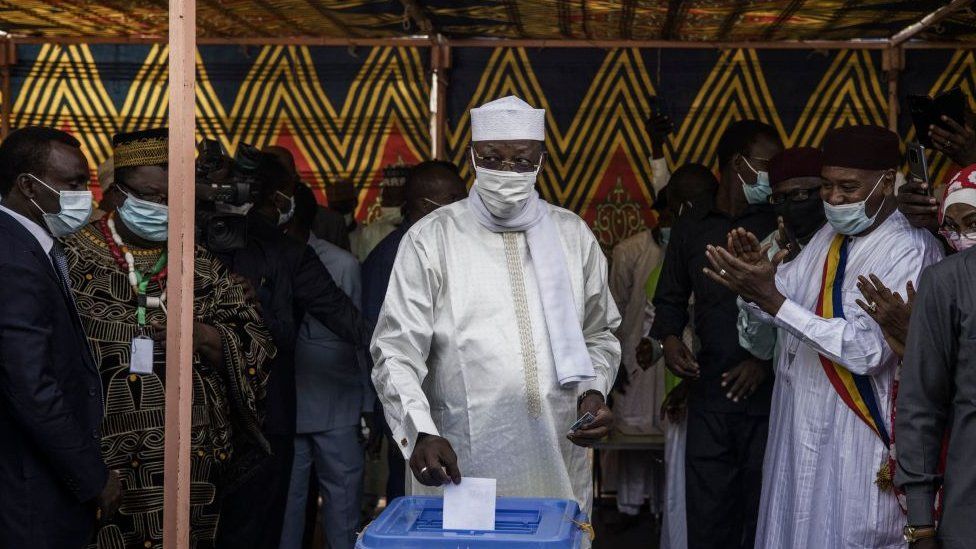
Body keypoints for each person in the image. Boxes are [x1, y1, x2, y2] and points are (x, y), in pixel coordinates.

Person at [370, 96, 621, 521]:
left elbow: (598, 334)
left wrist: (594, 391)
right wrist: (420, 431)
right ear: (472, 157)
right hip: (458, 456)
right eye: (492, 158)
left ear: (541, 160)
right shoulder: (432, 238)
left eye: (522, 160)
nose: (507, 172)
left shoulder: (572, 235)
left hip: (557, 454)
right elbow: (395, 350)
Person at [708, 125, 944, 549]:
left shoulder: (911, 248)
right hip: (796, 435)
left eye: (848, 187)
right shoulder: (827, 239)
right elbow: (777, 307)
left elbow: (868, 350)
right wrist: (750, 287)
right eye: (827, 187)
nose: (833, 199)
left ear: (887, 181)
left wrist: (773, 300)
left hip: (855, 440)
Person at [59, 129, 274, 549]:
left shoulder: (199, 263)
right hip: (102, 457)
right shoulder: (68, 257)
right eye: (150, 196)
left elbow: (257, 343)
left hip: (191, 459)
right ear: (118, 194)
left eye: (172, 197)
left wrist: (205, 336)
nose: (162, 207)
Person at [213, 151, 373, 549]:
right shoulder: (289, 253)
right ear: (279, 196)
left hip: (208, 413)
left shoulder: (197, 241)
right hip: (269, 416)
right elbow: (348, 321)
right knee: (264, 520)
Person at [649, 120, 781, 549]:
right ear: (735, 163)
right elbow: (669, 298)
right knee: (708, 515)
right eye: (767, 162)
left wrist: (764, 361)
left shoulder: (780, 220)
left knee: (761, 513)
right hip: (709, 394)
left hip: (768, 399)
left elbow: (798, 306)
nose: (772, 172)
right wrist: (669, 342)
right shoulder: (692, 225)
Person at [0, 127, 120, 548]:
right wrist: (91, 475)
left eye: (84, 183)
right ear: (28, 185)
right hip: (32, 485)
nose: (82, 196)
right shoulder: (12, 257)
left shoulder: (33, 245)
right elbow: (31, 386)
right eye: (71, 184)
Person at [361, 160, 466, 502]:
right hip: (411, 407)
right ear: (425, 204)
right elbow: (382, 345)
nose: (464, 207)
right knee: (411, 498)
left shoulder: (447, 248)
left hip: (447, 410)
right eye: (455, 198)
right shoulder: (391, 256)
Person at [278, 183, 372, 549]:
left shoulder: (342, 264)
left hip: (337, 405)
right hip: (286, 408)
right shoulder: (267, 255)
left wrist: (367, 405)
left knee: (344, 508)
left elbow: (360, 336)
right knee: (286, 507)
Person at [895, 164, 976, 549]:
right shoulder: (947, 280)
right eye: (953, 228)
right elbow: (920, 403)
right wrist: (921, 521)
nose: (964, 237)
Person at [646, 164, 718, 549]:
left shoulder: (717, 250)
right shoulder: (682, 251)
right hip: (687, 389)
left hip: (714, 393)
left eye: (674, 211)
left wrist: (689, 388)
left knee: (700, 493)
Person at [737, 146, 827, 361]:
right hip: (785, 386)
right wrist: (755, 296)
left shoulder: (848, 245)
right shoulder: (768, 250)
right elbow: (761, 349)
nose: (789, 206)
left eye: (800, 194)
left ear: (826, 191)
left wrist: (796, 272)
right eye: (779, 199)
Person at [354, 170, 406, 261]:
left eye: (392, 199)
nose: (386, 203)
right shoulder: (369, 233)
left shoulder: (419, 229)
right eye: (385, 199)